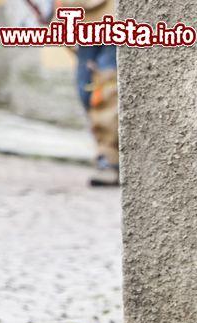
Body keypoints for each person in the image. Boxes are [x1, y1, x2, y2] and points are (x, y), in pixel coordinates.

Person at [58, 0, 119, 186]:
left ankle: (109, 158)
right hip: (80, 13)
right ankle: (109, 152)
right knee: (85, 89)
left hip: (113, 13)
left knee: (107, 86)